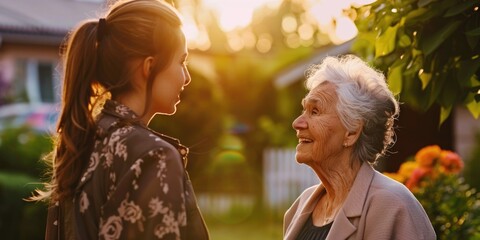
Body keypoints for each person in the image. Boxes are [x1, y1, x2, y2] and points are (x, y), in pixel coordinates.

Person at [30, 0, 209, 239]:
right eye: (181, 61)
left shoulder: (81, 143)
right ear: (149, 66)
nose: (186, 77)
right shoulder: (153, 156)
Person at [283, 55, 436, 240]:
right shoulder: (300, 207)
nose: (297, 123)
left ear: (352, 132)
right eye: (304, 111)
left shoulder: (393, 206)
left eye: (315, 111)